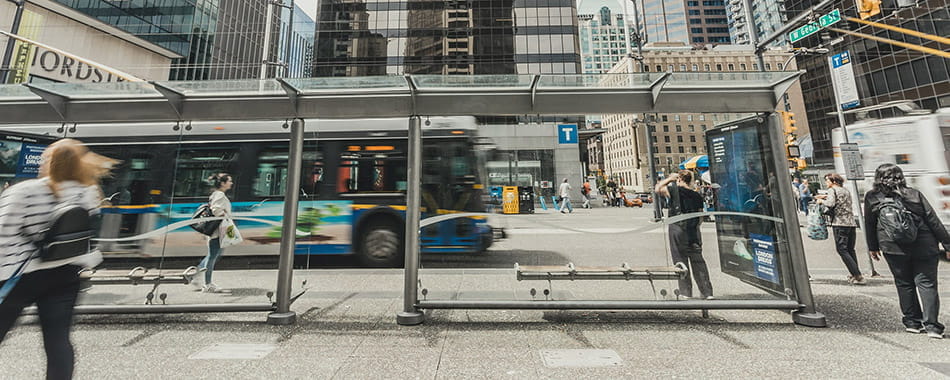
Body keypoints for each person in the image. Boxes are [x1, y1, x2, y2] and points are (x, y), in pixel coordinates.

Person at [0, 139, 113, 380]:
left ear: (49, 162)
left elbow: (3, 233)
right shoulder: (88, 192)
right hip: (65, 275)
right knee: (58, 340)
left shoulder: (24, 191)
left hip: (18, 276)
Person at [864, 163, 950, 339]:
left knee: (904, 283)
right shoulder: (914, 194)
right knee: (927, 284)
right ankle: (932, 326)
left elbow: (870, 223)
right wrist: (947, 244)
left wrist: (873, 247)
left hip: (893, 246)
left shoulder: (872, 197)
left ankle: (912, 322)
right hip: (924, 245)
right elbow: (933, 220)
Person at [655, 170, 713, 299]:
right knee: (698, 261)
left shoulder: (674, 191)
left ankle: (686, 293)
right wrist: (696, 229)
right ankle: (706, 292)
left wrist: (669, 179)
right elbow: (700, 217)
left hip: (677, 228)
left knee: (680, 260)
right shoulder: (696, 195)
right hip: (693, 230)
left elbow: (658, 188)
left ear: (679, 179)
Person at [816, 173, 866, 285]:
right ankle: (854, 273)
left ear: (833, 181)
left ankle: (858, 275)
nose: (826, 183)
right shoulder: (845, 190)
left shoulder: (832, 190)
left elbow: (830, 203)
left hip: (839, 222)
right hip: (850, 222)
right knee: (850, 249)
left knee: (842, 249)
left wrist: (821, 201)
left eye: (827, 180)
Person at [193, 173, 235, 293]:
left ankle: (197, 277)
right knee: (212, 257)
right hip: (217, 232)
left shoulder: (217, 194)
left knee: (212, 256)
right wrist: (226, 217)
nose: (231, 183)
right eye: (229, 181)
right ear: (223, 183)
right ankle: (207, 284)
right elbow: (216, 210)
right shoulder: (220, 195)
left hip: (217, 232)